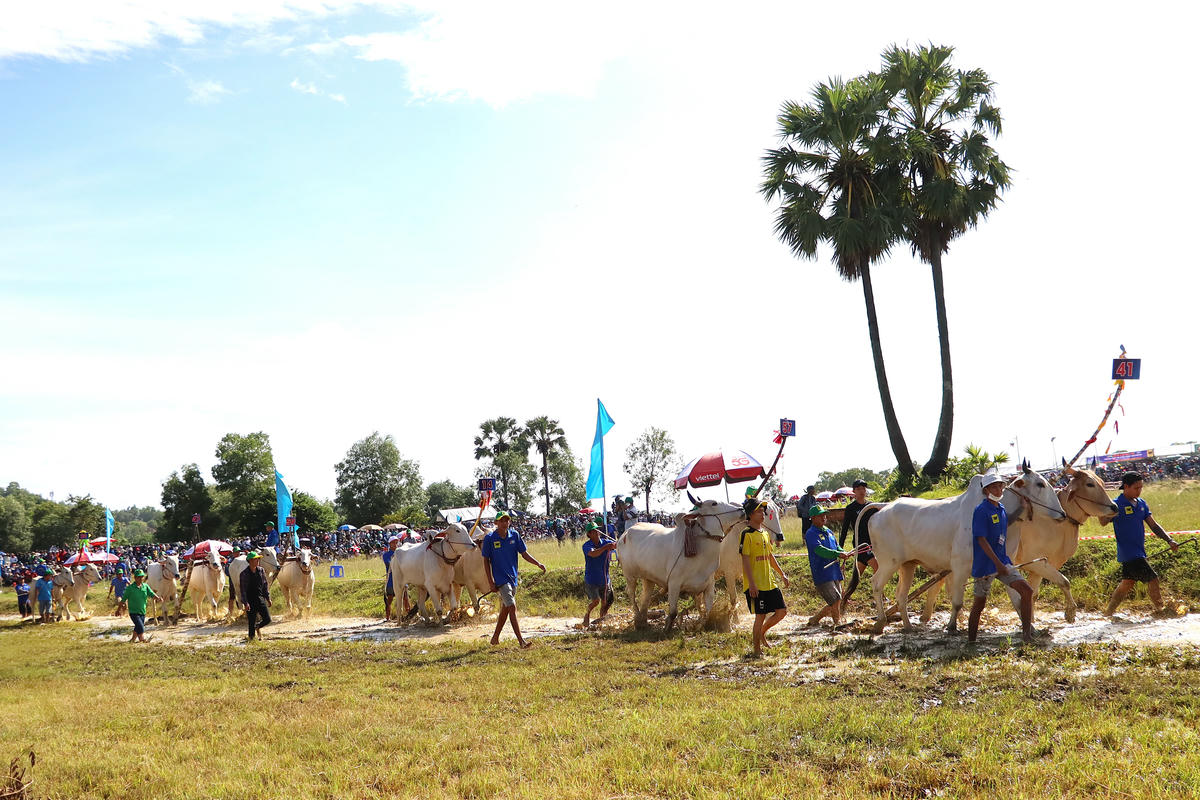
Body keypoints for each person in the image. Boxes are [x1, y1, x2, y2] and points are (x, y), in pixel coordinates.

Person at [967, 474, 1035, 644]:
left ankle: (1027, 636)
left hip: (1003, 562)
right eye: (994, 487)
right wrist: (997, 564)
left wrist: (1021, 508)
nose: (998, 490)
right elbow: (981, 539)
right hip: (985, 566)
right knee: (979, 605)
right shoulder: (981, 511)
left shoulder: (1001, 508)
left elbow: (1007, 522)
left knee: (1027, 591)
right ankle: (971, 642)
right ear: (986, 490)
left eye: (1000, 486)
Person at [1104, 471, 1179, 617]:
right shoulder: (1116, 505)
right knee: (1153, 579)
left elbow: (1153, 525)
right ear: (1126, 486)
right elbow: (1102, 522)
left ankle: (1108, 613)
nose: (1139, 491)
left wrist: (1169, 540)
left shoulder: (1142, 503)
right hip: (1129, 552)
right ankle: (1161, 611)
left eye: (1141, 487)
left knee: (1127, 583)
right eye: (1136, 488)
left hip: (1139, 551)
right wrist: (1105, 512)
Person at [482, 510, 546, 648]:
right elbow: (485, 561)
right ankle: (521, 641)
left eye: (507, 520)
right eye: (502, 520)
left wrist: (538, 564)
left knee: (505, 609)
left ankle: (495, 638)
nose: (505, 523)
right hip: (501, 580)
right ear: (496, 523)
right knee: (512, 606)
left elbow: (524, 553)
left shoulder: (514, 535)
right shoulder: (490, 538)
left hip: (513, 578)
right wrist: (490, 582)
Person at [740, 498, 790, 656]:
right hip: (756, 584)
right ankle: (756, 650)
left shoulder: (766, 534)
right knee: (760, 616)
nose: (762, 514)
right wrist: (752, 584)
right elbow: (745, 560)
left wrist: (782, 574)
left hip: (770, 582)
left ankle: (762, 633)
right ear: (750, 515)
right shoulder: (746, 534)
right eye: (758, 511)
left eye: (763, 511)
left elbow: (770, 556)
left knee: (782, 611)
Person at [804, 506, 849, 626]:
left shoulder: (828, 531)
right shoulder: (811, 533)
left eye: (824, 515)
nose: (824, 517)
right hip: (822, 572)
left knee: (838, 600)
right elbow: (819, 550)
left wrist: (842, 552)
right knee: (835, 600)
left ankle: (815, 619)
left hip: (834, 570)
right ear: (813, 518)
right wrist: (837, 554)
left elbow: (836, 546)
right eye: (820, 515)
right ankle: (837, 624)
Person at [838, 480, 877, 612]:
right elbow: (844, 529)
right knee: (878, 567)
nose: (862, 491)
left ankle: (844, 599)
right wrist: (840, 548)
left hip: (871, 543)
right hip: (860, 544)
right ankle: (880, 596)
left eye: (863, 488)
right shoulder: (851, 508)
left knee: (857, 576)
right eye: (859, 489)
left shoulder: (871, 506)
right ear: (854, 491)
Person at [581, 522, 617, 627]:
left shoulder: (606, 542)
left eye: (597, 530)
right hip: (591, 579)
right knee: (596, 601)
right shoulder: (587, 546)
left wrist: (615, 544)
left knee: (605, 602)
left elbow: (616, 545)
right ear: (589, 534)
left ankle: (601, 621)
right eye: (594, 531)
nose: (597, 532)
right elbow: (593, 554)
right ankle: (587, 614)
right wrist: (606, 548)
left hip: (604, 579)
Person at [239, 551, 273, 641]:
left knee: (267, 619)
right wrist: (245, 603)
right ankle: (251, 639)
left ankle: (258, 627)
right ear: (250, 561)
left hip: (260, 598)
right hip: (250, 600)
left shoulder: (261, 570)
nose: (257, 561)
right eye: (255, 559)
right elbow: (243, 590)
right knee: (251, 621)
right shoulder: (244, 574)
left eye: (258, 559)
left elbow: (265, 585)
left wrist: (268, 598)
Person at [122, 569, 158, 643]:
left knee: (138, 626)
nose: (140, 578)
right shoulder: (130, 588)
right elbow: (123, 599)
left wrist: (158, 598)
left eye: (142, 577)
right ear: (135, 578)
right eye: (138, 577)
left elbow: (151, 593)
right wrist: (118, 609)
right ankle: (142, 639)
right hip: (133, 611)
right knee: (141, 626)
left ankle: (132, 640)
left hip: (142, 611)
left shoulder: (145, 586)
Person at [382, 536, 400, 621]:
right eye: (393, 542)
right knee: (389, 599)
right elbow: (388, 564)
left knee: (405, 598)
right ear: (390, 544)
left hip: (401, 579)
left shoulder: (401, 553)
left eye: (396, 542)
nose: (395, 544)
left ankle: (408, 616)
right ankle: (387, 617)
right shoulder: (386, 555)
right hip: (391, 580)